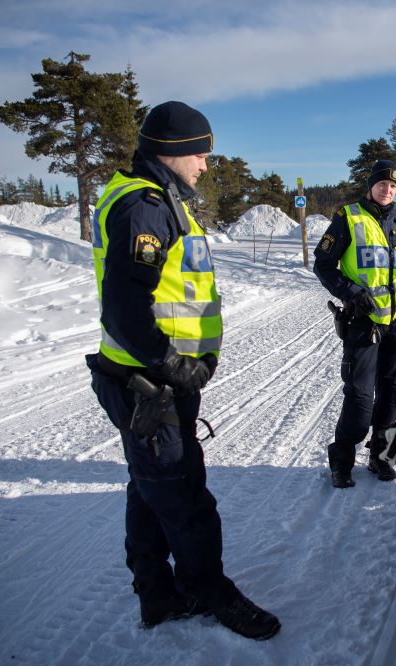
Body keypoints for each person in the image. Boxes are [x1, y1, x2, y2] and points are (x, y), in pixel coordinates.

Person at [85, 101, 281, 639]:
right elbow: (124, 307)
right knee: (185, 494)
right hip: (151, 384)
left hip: (158, 380)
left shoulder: (162, 200)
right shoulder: (145, 205)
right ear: (172, 151)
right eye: (201, 152)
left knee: (149, 490)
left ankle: (157, 596)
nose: (205, 163)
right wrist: (171, 364)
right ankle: (209, 590)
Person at [313, 160, 396, 488]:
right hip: (364, 322)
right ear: (371, 185)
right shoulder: (348, 217)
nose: (387, 190)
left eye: (393, 186)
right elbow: (323, 264)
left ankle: (382, 457)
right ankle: (342, 461)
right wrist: (350, 293)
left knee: (393, 393)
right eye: (382, 184)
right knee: (361, 398)